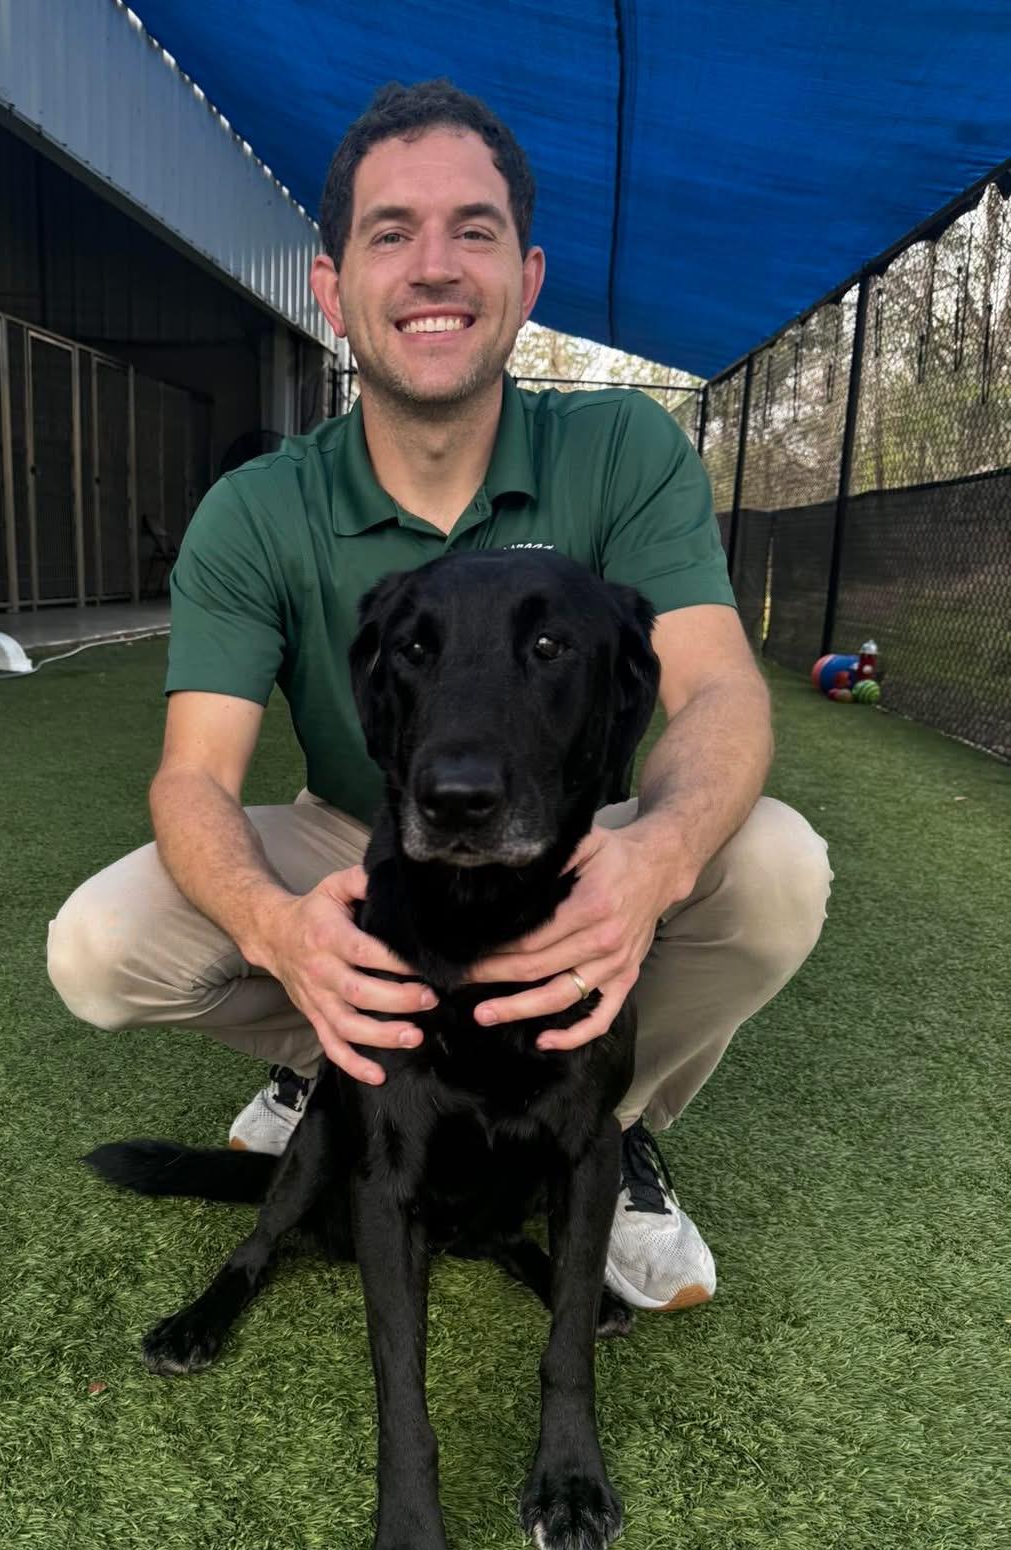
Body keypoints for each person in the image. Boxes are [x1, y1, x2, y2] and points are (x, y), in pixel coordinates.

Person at [47, 79, 832, 1314]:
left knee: (775, 862)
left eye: (472, 233)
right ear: (332, 284)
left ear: (524, 277)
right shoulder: (258, 509)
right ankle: (348, 1061)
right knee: (99, 948)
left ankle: (601, 1124)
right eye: (390, 233)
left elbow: (721, 690)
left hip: (569, 845)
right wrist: (278, 928)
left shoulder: (623, 449)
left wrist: (662, 856)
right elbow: (193, 775)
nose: (433, 269)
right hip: (358, 841)